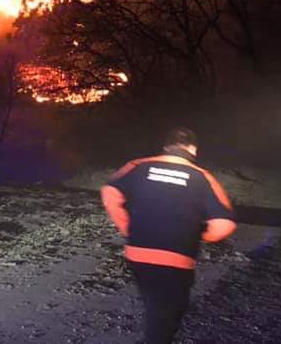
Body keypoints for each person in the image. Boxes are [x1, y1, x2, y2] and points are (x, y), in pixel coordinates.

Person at [100, 127, 236, 344]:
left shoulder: (138, 166)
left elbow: (110, 190)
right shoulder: (202, 177)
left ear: (165, 147)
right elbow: (224, 224)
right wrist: (197, 235)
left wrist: (128, 227)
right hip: (178, 258)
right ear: (193, 149)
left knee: (155, 305)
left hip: (138, 252)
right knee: (166, 317)